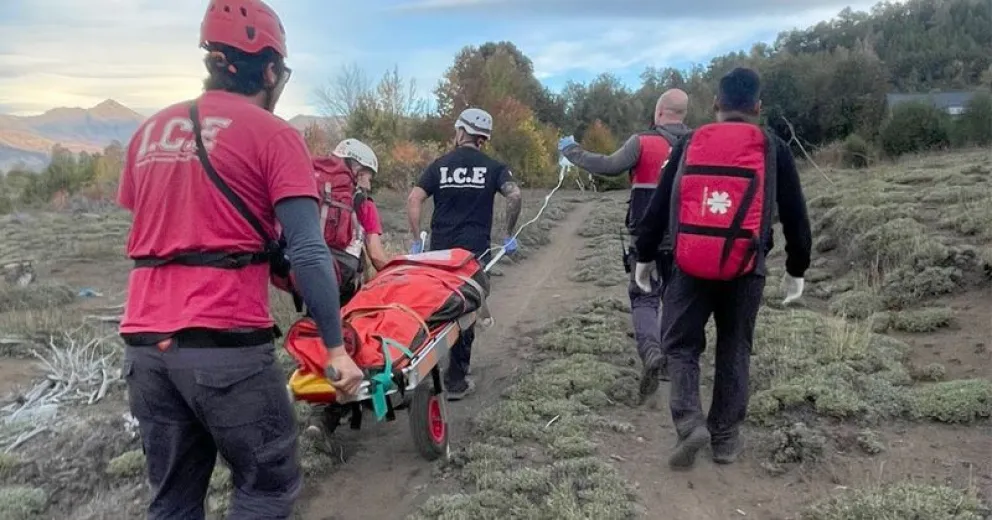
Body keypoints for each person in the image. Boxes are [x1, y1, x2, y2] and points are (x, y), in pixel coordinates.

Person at [116, 1, 362, 517]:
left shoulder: (148, 133)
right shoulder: (273, 135)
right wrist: (336, 350)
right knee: (267, 487)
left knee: (174, 501)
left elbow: (157, 227)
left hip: (144, 348)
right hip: (224, 345)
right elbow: (309, 250)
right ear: (270, 70)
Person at [633, 67, 812, 470]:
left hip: (688, 265)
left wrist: (644, 256)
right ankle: (726, 439)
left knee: (680, 346)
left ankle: (689, 422)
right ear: (758, 107)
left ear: (716, 104)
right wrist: (797, 267)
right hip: (747, 269)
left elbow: (660, 205)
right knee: (735, 348)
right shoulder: (773, 147)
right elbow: (797, 215)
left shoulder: (691, 142)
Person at [557, 89, 692, 401]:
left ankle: (651, 352)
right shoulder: (700, 143)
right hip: (689, 239)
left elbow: (608, 166)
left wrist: (572, 151)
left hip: (646, 236)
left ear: (659, 112)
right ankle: (673, 361)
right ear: (683, 114)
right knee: (677, 299)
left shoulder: (642, 142)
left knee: (644, 297)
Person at [406, 107, 523, 401]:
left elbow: (414, 198)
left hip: (439, 255)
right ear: (483, 137)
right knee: (466, 311)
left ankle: (422, 369)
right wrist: (508, 234)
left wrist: (415, 238)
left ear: (461, 131)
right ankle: (456, 380)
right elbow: (515, 195)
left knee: (436, 308)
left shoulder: (440, 164)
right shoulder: (494, 167)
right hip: (472, 255)